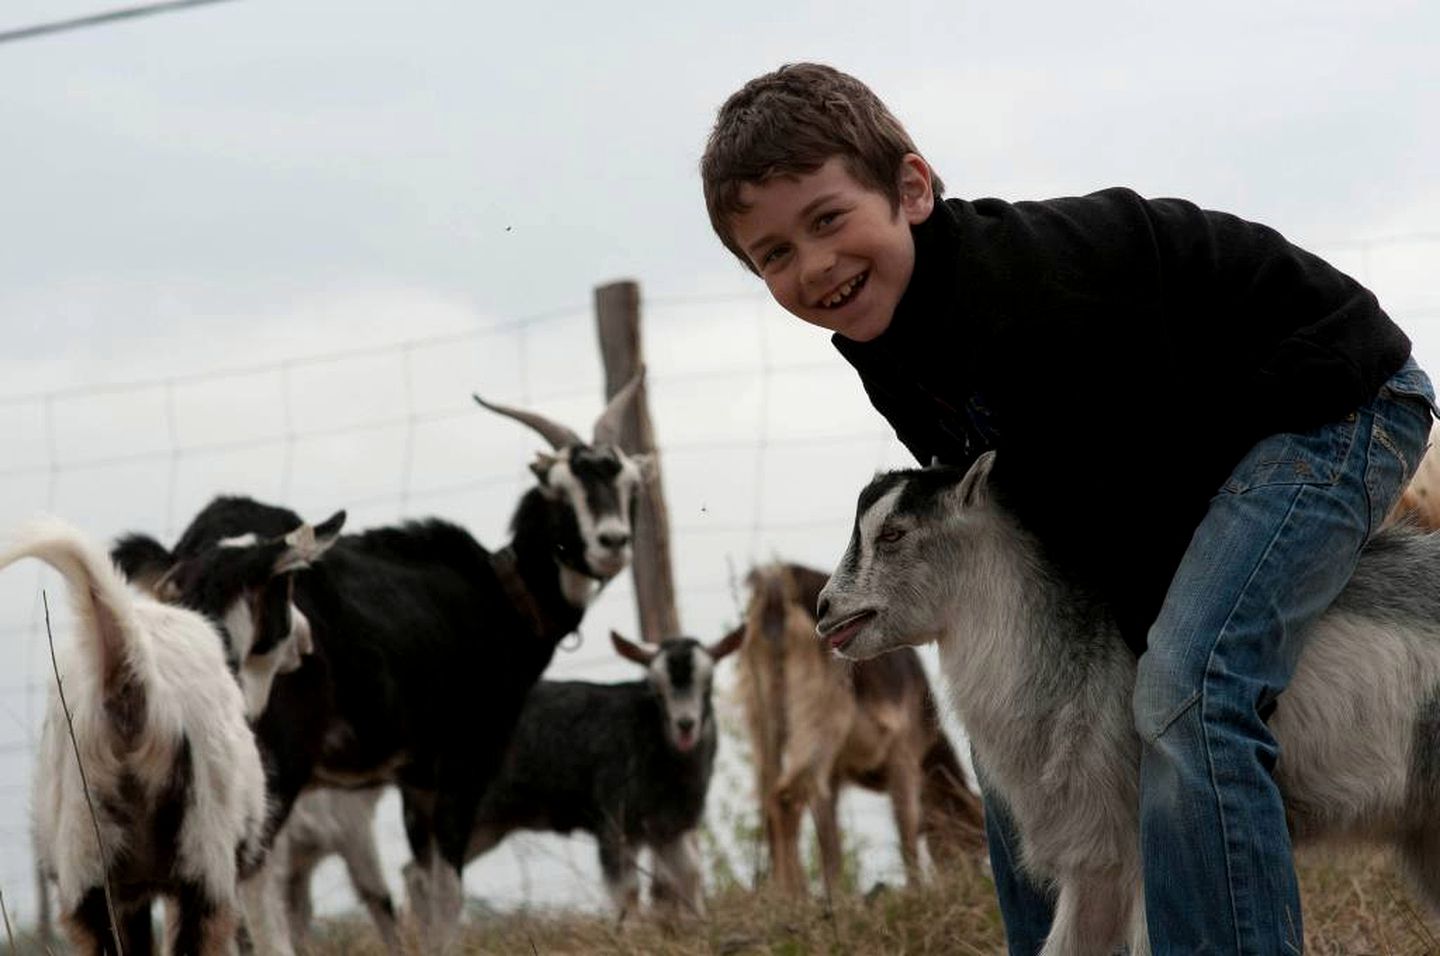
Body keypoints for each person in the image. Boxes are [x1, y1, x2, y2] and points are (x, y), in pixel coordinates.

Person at [699, 61, 1435, 953]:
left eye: (828, 221)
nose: (814, 266)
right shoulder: (884, 338)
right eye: (774, 254)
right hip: (1186, 459)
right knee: (1013, 721)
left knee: (1188, 690)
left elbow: (1139, 497)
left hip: (1331, 405)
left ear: (912, 189)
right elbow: (1023, 517)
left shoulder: (1022, 297)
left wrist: (1115, 686)